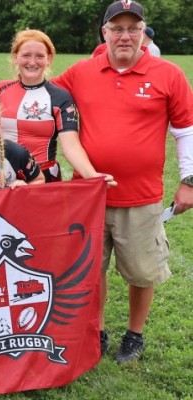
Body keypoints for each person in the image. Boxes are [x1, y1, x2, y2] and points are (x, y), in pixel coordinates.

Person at [54, 1, 193, 363]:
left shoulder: (168, 74)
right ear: (105, 33)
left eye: (133, 28)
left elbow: (186, 132)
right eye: (117, 28)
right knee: (91, 270)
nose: (125, 35)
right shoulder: (81, 72)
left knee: (142, 272)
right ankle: (95, 331)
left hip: (142, 197)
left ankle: (134, 334)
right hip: (89, 196)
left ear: (143, 32)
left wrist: (189, 180)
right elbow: (39, 97)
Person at [0, 29, 113, 185]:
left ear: (49, 59)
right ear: (15, 57)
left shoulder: (60, 97)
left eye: (39, 56)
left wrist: (92, 175)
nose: (32, 62)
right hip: (2, 174)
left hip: (43, 177)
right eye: (26, 55)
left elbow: (70, 146)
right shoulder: (0, 90)